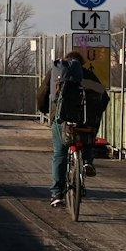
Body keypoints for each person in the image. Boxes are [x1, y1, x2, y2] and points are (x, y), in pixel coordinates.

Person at [36, 50, 109, 207]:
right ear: (80, 63)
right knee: (89, 134)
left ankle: (56, 194)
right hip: (84, 120)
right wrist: (96, 112)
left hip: (60, 120)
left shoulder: (55, 73)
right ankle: (87, 161)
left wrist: (44, 109)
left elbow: (42, 94)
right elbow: (104, 96)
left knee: (60, 154)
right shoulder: (87, 74)